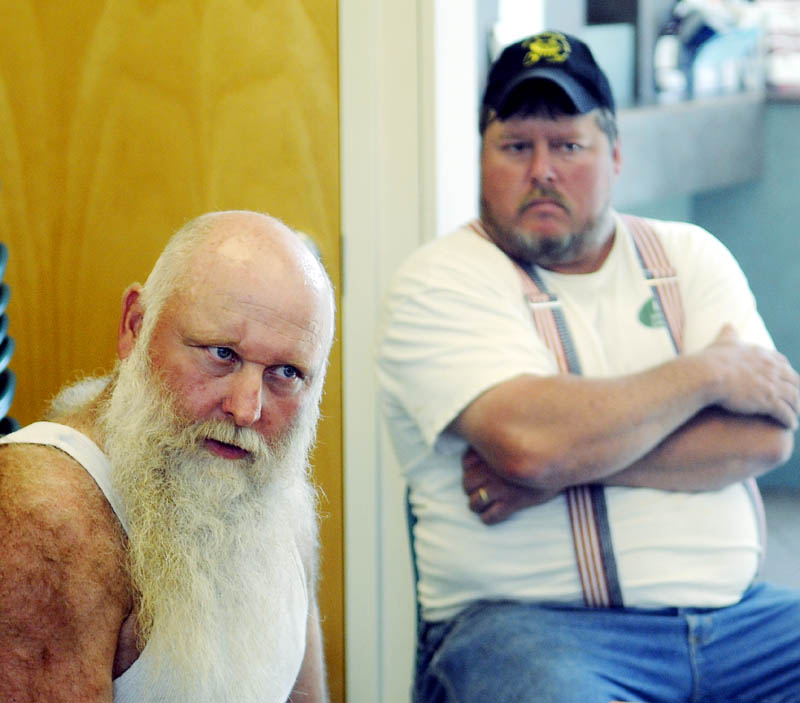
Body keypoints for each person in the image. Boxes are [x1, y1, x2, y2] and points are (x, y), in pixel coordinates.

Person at [377, 30, 800, 703]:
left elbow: (765, 435)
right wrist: (708, 375)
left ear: (615, 154)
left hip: (738, 624)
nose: (542, 170)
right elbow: (531, 444)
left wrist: (566, 466)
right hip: (530, 630)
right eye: (517, 147)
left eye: (568, 145)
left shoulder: (689, 258)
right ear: (482, 157)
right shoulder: (440, 280)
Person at [0, 210, 334, 702]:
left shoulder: (277, 493)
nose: (246, 409)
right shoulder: (45, 512)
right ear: (134, 326)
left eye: (285, 372)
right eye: (222, 354)